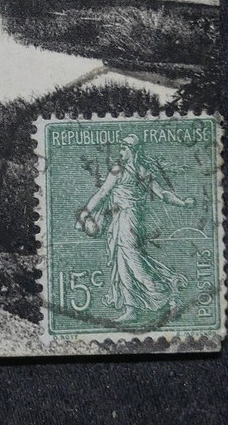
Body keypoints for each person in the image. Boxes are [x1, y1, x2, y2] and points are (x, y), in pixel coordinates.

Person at [76, 133, 196, 323]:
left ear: (134, 151)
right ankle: (131, 309)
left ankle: (167, 295)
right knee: (121, 262)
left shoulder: (138, 171)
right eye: (121, 147)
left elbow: (163, 194)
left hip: (130, 220)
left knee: (133, 261)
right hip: (120, 220)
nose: (121, 151)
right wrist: (85, 212)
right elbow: (102, 193)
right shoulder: (122, 170)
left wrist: (182, 202)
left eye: (124, 147)